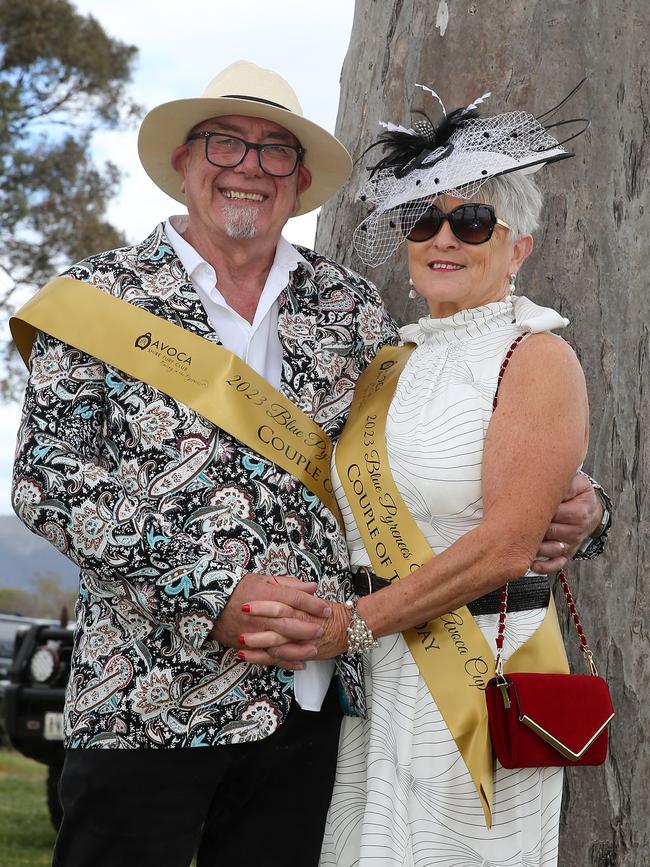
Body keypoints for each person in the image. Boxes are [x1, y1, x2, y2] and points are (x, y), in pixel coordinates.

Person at [10, 63, 606, 867]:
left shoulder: (351, 308)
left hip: (318, 707)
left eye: (276, 152)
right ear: (185, 162)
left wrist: (583, 507)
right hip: (145, 700)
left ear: (298, 182)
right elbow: (50, 484)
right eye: (227, 142)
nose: (250, 166)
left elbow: (441, 461)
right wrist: (210, 594)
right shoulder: (97, 298)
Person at [240, 87, 607, 866]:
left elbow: (510, 542)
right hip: (376, 679)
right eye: (423, 218)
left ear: (519, 245)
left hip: (477, 671)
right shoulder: (386, 362)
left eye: (472, 220)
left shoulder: (537, 356)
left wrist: (357, 622)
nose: (445, 237)